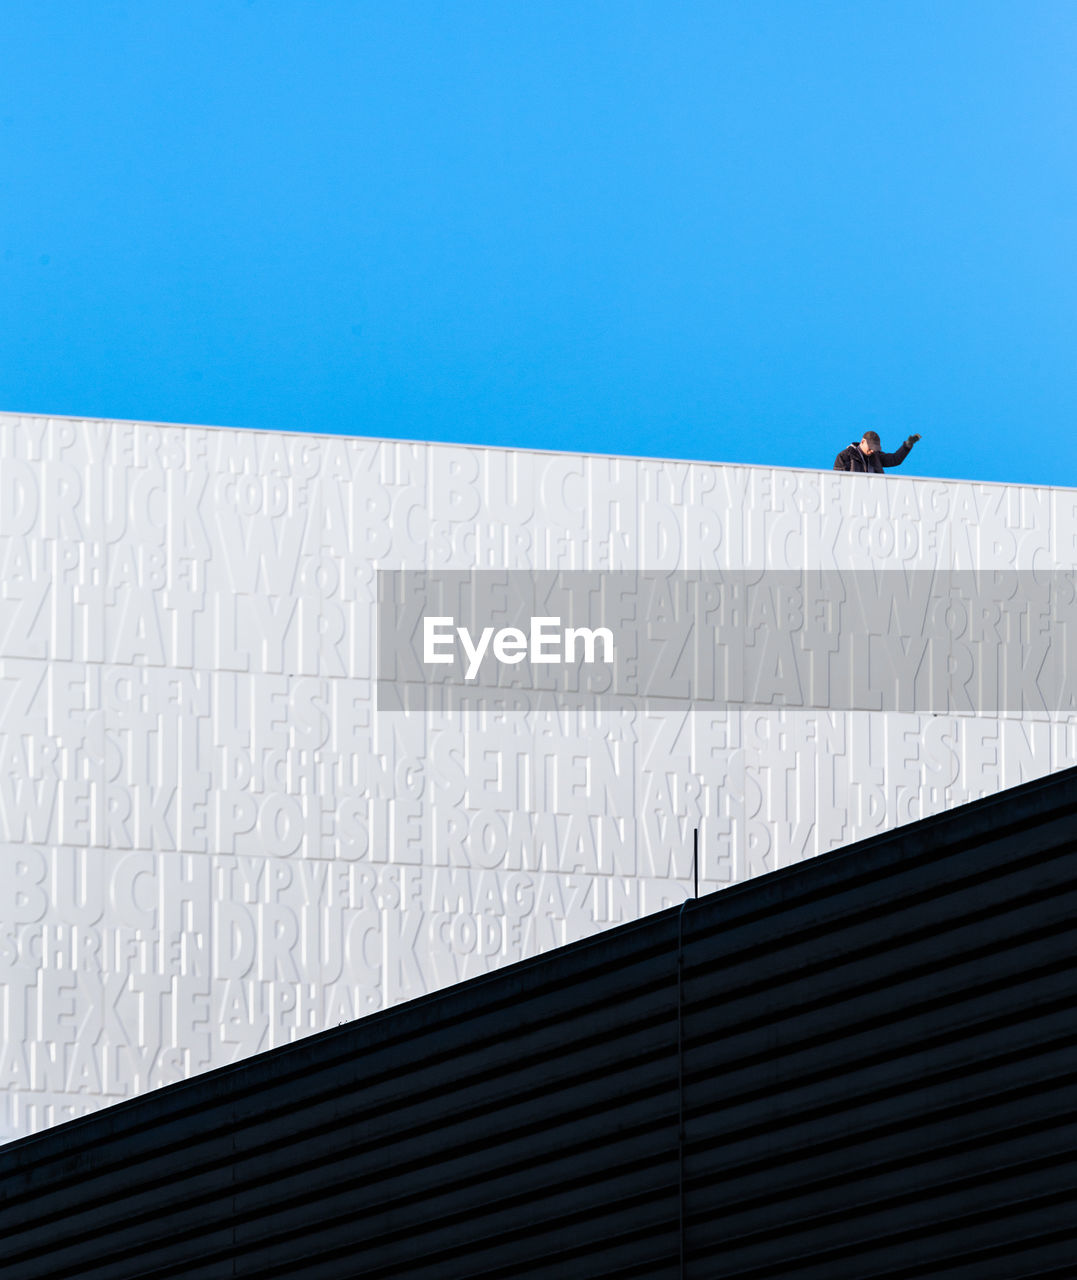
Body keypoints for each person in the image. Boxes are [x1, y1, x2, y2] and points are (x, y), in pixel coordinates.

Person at [834, 431, 921, 473]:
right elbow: (839, 480)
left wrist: (907, 446)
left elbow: (895, 459)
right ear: (863, 441)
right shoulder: (845, 456)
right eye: (870, 447)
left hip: (875, 495)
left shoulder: (876, 456)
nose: (872, 451)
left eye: (875, 449)